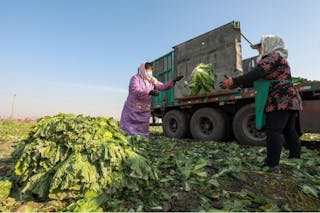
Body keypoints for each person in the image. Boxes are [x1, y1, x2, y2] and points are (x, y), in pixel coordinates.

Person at [220, 35, 303, 171]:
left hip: (279, 98)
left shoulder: (272, 57)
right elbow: (255, 79)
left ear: (269, 44)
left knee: (274, 131)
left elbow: (257, 73)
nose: (259, 50)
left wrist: (234, 81)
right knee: (289, 130)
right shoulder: (279, 58)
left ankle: (272, 164)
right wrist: (234, 84)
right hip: (290, 98)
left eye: (260, 46)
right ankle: (295, 156)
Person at [120, 62, 183, 136]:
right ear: (143, 70)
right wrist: (149, 92)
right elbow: (135, 90)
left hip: (144, 110)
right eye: (148, 70)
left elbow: (161, 86)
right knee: (129, 131)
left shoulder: (152, 80)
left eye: (151, 70)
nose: (150, 72)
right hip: (133, 109)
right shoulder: (135, 78)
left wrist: (172, 81)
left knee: (142, 131)